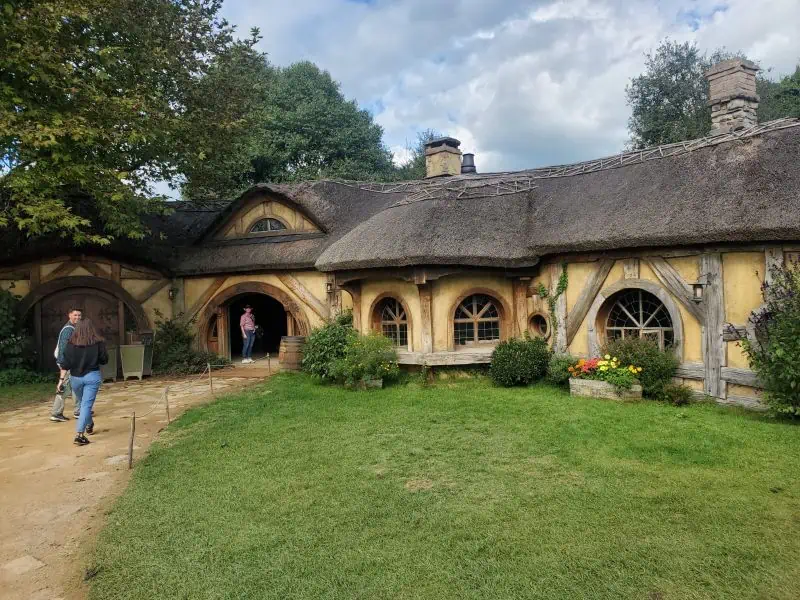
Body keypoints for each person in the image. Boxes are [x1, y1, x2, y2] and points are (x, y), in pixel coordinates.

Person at [60, 319, 107, 446]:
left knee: (83, 404)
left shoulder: (70, 345)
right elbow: (104, 360)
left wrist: (60, 381)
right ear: (92, 329)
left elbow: (65, 364)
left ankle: (89, 424)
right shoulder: (99, 343)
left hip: (75, 378)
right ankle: (79, 435)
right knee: (86, 405)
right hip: (92, 376)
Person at [50, 307, 82, 422]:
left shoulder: (74, 327)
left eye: (79, 315)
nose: (77, 317)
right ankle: (56, 413)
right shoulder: (68, 329)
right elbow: (64, 348)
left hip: (70, 363)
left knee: (75, 386)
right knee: (65, 387)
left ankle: (79, 410)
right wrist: (64, 365)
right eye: (75, 315)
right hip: (66, 363)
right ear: (69, 315)